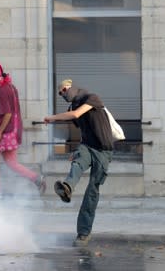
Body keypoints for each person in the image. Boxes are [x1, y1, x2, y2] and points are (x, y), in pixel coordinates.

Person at [43, 79, 114, 247]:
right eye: (60, 93)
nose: (62, 95)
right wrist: (77, 151)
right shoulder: (72, 107)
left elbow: (76, 115)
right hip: (87, 146)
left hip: (103, 151)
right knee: (77, 163)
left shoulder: (91, 98)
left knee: (92, 192)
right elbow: (83, 129)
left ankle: (84, 233)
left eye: (64, 91)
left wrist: (51, 118)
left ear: (71, 87)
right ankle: (66, 188)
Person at [0, 62, 46, 195]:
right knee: (11, 163)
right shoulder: (10, 87)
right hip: (14, 131)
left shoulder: (2, 90)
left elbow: (7, 114)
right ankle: (36, 178)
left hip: (5, 132)